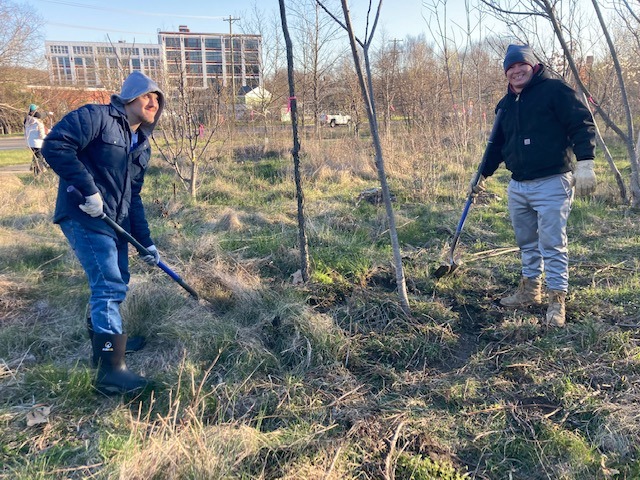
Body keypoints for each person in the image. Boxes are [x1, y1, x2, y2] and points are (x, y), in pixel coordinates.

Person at [42, 71, 165, 395]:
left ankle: (106, 341)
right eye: (147, 95)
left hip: (116, 222)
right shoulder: (97, 117)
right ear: (129, 96)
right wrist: (88, 190)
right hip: (84, 215)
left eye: (158, 99)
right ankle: (111, 372)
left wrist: (147, 244)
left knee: (117, 280)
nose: (153, 102)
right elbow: (55, 145)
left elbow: (133, 197)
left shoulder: (142, 147)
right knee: (108, 283)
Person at [470, 44, 596, 328]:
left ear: (533, 65)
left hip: (553, 181)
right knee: (526, 243)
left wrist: (586, 162)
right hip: (518, 185)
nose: (516, 71)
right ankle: (530, 291)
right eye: (510, 67)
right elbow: (497, 146)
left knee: (552, 244)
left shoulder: (555, 91)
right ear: (506, 73)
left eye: (521, 65)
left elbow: (581, 123)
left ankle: (557, 300)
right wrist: (482, 174)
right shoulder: (505, 105)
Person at [24, 106, 49, 175]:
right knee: (40, 157)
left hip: (30, 143)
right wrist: (46, 138)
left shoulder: (27, 122)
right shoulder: (39, 123)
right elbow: (41, 135)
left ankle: (35, 170)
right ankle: (44, 169)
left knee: (35, 156)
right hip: (38, 143)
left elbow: (25, 133)